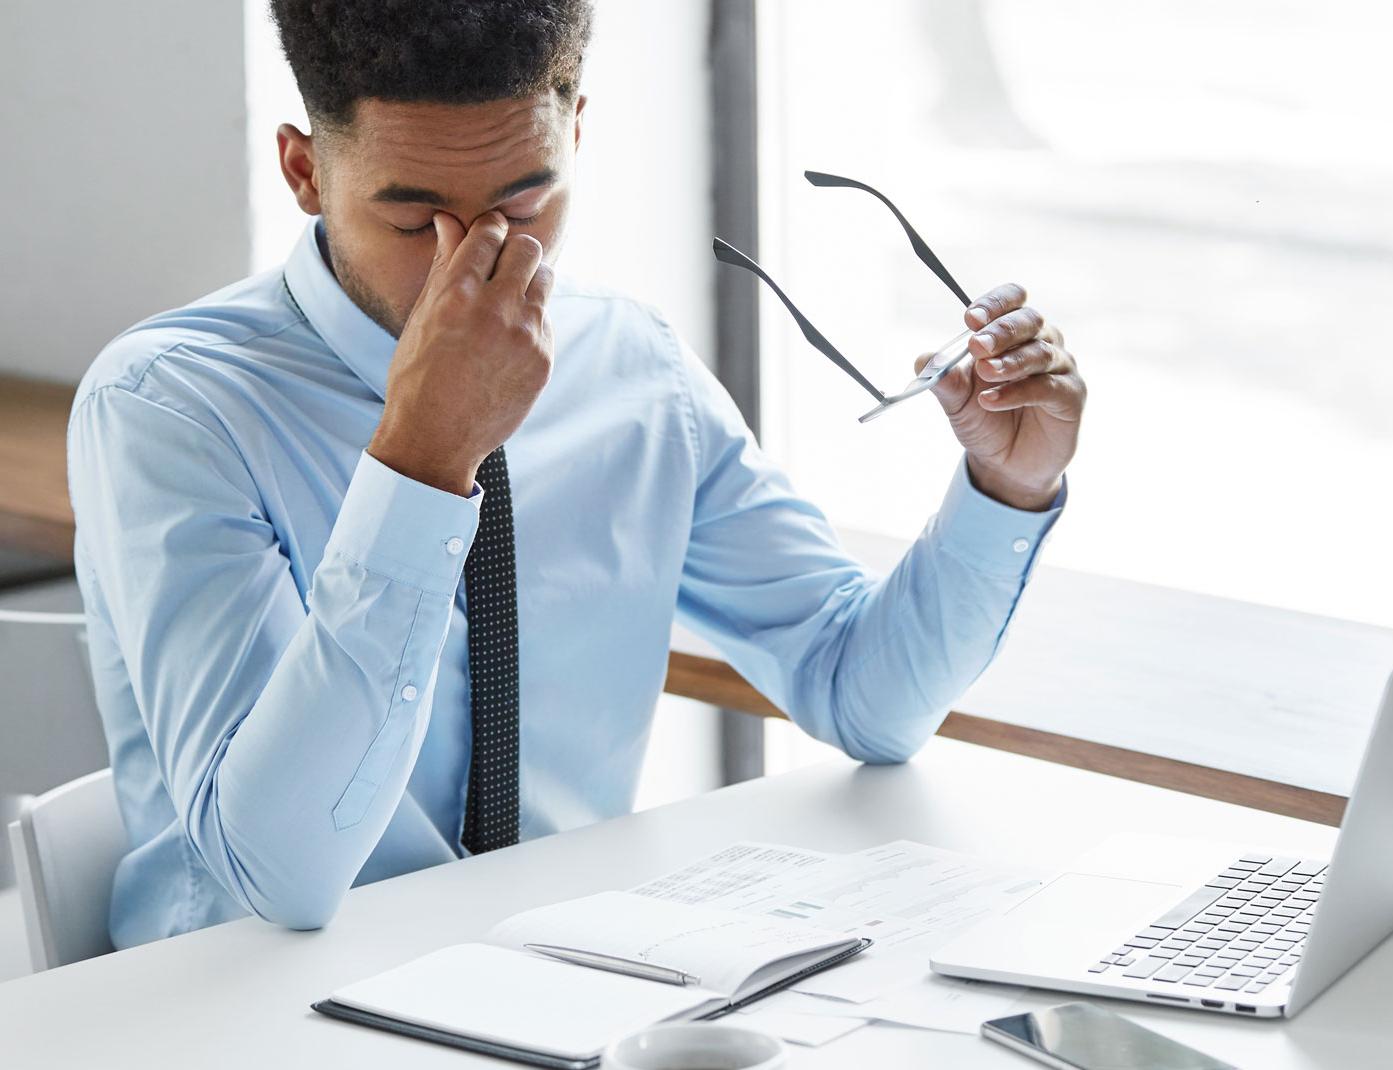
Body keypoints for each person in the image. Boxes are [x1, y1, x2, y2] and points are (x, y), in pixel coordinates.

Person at [67, 0, 1085, 949]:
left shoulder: (635, 370)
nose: (479, 259)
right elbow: (277, 875)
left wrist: (1007, 489)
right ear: (304, 171)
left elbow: (860, 690)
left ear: (577, 136)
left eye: (527, 199)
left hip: (565, 982)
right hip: (246, 1011)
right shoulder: (170, 408)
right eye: (413, 219)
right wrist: (423, 459)